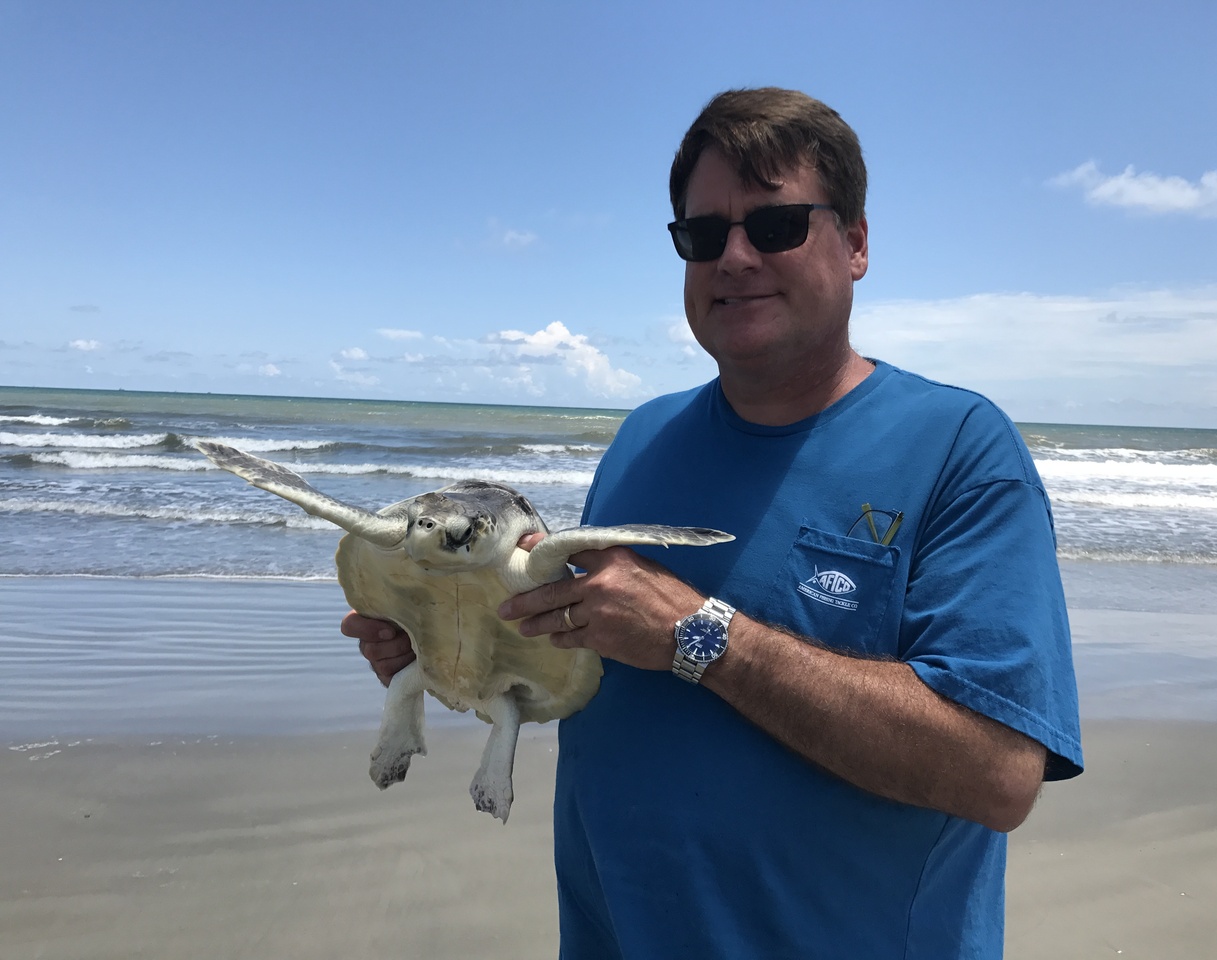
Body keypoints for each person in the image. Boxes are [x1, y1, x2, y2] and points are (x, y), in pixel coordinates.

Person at [344, 87, 1083, 959]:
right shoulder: (640, 439)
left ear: (856, 243)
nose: (733, 257)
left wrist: (704, 636)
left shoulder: (958, 449)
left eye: (774, 226)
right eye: (702, 235)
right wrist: (446, 642)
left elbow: (997, 772)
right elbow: (595, 665)